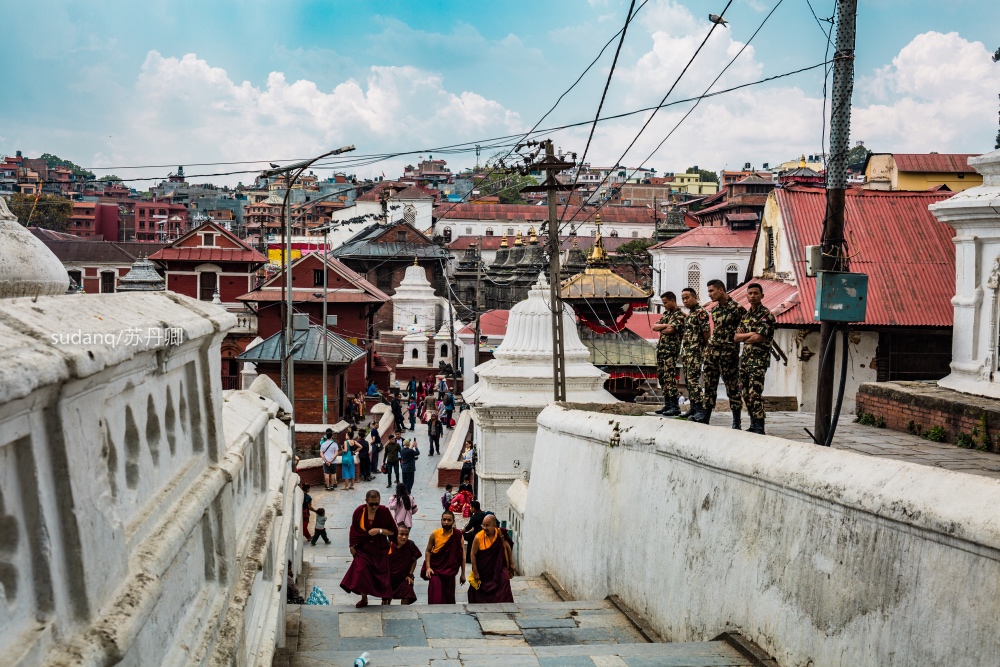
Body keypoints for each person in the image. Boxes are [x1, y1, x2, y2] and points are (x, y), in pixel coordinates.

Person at [693, 279, 747, 427]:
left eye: (711, 291)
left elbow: (744, 328)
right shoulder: (715, 310)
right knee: (709, 386)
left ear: (721, 290)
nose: (709, 294)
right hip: (712, 354)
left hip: (728, 355)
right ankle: (706, 417)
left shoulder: (738, 309)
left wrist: (740, 331)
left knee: (732, 388)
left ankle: (736, 421)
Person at [340, 490, 398, 607]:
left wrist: (379, 530)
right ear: (366, 501)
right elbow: (353, 529)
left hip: (380, 548)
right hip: (364, 548)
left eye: (377, 503)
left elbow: (393, 531)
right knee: (361, 571)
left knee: (382, 576)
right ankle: (364, 599)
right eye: (371, 504)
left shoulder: (384, 511)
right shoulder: (359, 512)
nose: (374, 506)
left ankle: (385, 598)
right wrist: (351, 545)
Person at [735, 283, 776, 435]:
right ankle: (752, 423)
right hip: (745, 360)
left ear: (762, 295)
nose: (752, 296)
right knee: (745, 393)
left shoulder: (766, 315)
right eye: (750, 293)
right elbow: (736, 337)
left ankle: (759, 425)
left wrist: (745, 336)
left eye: (755, 293)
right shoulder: (746, 316)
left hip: (758, 361)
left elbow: (759, 337)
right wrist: (748, 336)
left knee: (755, 393)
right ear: (747, 296)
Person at [651, 291, 686, 417]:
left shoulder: (680, 315)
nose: (664, 305)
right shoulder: (667, 315)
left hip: (671, 351)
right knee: (662, 377)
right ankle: (667, 404)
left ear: (672, 300)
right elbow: (654, 327)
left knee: (670, 378)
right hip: (662, 351)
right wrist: (665, 325)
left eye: (666, 302)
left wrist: (665, 327)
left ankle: (674, 406)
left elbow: (671, 330)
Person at [679, 288, 711, 420]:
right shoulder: (691, 314)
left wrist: (703, 349)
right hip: (687, 353)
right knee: (688, 381)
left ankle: (700, 409)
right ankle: (692, 408)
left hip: (696, 352)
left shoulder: (701, 312)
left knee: (693, 381)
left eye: (687, 298)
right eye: (683, 299)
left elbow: (706, 333)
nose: (685, 301)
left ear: (695, 297)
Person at [421, 511, 466, 604]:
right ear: (441, 520)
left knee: (448, 598)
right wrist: (428, 568)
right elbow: (428, 551)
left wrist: (463, 574)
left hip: (450, 571)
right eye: (444, 520)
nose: (446, 522)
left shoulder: (458, 535)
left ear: (453, 521)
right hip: (436, 570)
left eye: (449, 520)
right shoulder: (435, 534)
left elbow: (462, 555)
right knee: (435, 596)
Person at [468, 514, 514, 603]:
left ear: (494, 525)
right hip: (484, 570)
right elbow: (473, 554)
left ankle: (505, 604)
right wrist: (475, 571)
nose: (484, 528)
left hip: (499, 567)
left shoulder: (500, 534)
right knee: (478, 590)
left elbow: (507, 546)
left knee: (505, 580)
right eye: (483, 525)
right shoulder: (478, 537)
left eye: (487, 525)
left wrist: (511, 562)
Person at [382, 524, 421, 605]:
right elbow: (380, 560)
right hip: (389, 577)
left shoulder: (410, 544)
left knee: (408, 591)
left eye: (406, 534)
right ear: (396, 534)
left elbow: (414, 560)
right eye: (401, 534)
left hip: (404, 578)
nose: (404, 537)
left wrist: (410, 574)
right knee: (386, 601)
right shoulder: (389, 544)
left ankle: (405, 612)